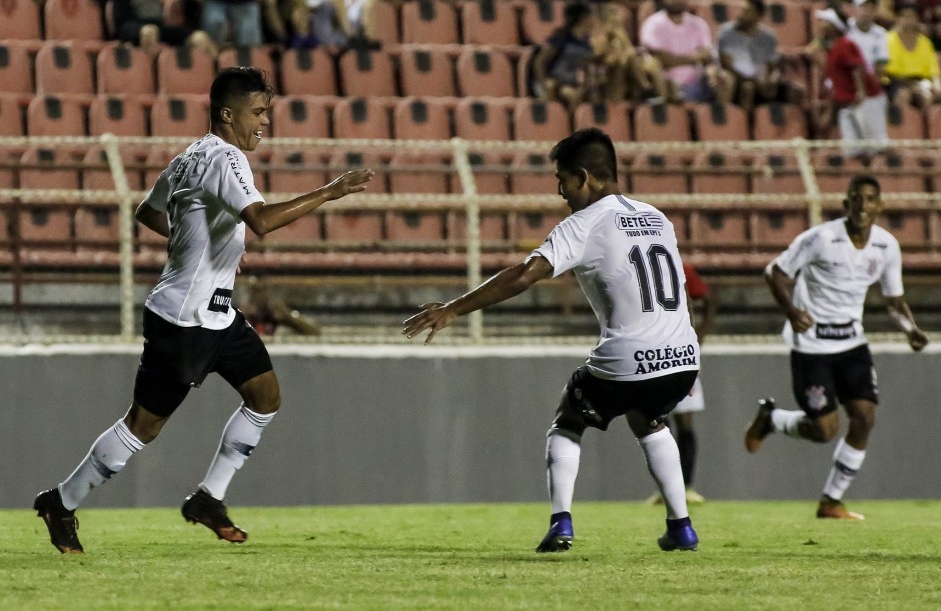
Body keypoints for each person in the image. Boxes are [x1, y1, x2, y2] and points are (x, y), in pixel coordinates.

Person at [33, 67, 374, 554]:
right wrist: (330, 190)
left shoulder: (188, 157)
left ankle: (209, 497)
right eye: (258, 113)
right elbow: (261, 221)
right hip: (183, 320)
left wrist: (190, 243)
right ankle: (61, 502)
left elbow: (147, 212)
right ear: (227, 114)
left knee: (265, 396)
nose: (265, 123)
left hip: (218, 315)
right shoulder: (225, 157)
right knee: (142, 427)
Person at [403, 128, 701, 553]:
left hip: (628, 357)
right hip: (684, 358)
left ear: (584, 177)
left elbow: (525, 275)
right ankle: (681, 527)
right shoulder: (658, 217)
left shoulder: (582, 224)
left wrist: (454, 308)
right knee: (648, 418)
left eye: (562, 180)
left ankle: (561, 523)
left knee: (568, 419)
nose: (560, 192)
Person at [744, 174, 928, 521]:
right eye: (856, 198)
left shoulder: (887, 246)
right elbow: (775, 272)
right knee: (825, 431)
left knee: (864, 418)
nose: (863, 205)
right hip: (812, 347)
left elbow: (894, 300)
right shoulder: (821, 238)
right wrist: (793, 311)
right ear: (846, 205)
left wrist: (910, 329)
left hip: (851, 343)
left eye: (871, 198)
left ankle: (831, 500)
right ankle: (773, 419)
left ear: (880, 206)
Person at [647, 263, 715, 506]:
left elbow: (708, 300)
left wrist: (699, 339)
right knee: (657, 423)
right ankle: (668, 487)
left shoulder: (679, 266)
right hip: (652, 352)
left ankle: (687, 486)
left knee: (684, 422)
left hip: (681, 352)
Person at [807, 7, 888, 157]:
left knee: (875, 147)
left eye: (825, 21)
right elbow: (811, 51)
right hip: (847, 104)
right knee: (852, 150)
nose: (820, 24)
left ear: (834, 25)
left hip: (867, 99)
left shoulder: (845, 44)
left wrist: (860, 91)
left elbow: (857, 68)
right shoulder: (833, 47)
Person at [639, 0, 734, 104]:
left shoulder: (698, 24)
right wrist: (694, 57)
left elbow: (707, 55)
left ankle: (719, 118)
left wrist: (712, 71)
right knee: (664, 80)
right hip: (666, 83)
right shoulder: (653, 24)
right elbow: (662, 59)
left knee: (724, 79)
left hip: (696, 82)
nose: (677, 0)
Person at [718, 0, 805, 113]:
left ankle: (787, 128)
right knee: (748, 88)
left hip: (763, 83)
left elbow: (774, 66)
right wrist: (756, 82)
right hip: (739, 82)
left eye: (747, 11)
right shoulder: (727, 32)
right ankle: (746, 127)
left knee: (796, 91)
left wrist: (772, 79)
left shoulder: (768, 37)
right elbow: (727, 65)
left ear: (758, 16)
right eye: (742, 10)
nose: (741, 14)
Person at [884, 3, 941, 108]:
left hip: (922, 82)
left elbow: (934, 70)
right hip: (897, 82)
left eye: (912, 16)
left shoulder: (925, 42)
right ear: (897, 18)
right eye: (904, 16)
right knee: (904, 95)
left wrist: (937, 87)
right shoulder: (888, 39)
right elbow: (890, 73)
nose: (908, 20)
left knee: (930, 96)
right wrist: (913, 86)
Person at [241, 275, 322, 336]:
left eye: (260, 291)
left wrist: (288, 317)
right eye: (254, 292)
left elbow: (315, 331)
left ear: (267, 292)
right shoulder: (242, 314)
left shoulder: (276, 311)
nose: (257, 297)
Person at [846, 0, 889, 85]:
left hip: (870, 82)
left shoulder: (881, 33)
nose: (867, 11)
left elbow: (881, 64)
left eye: (871, 8)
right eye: (863, 7)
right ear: (854, 9)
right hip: (845, 79)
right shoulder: (844, 27)